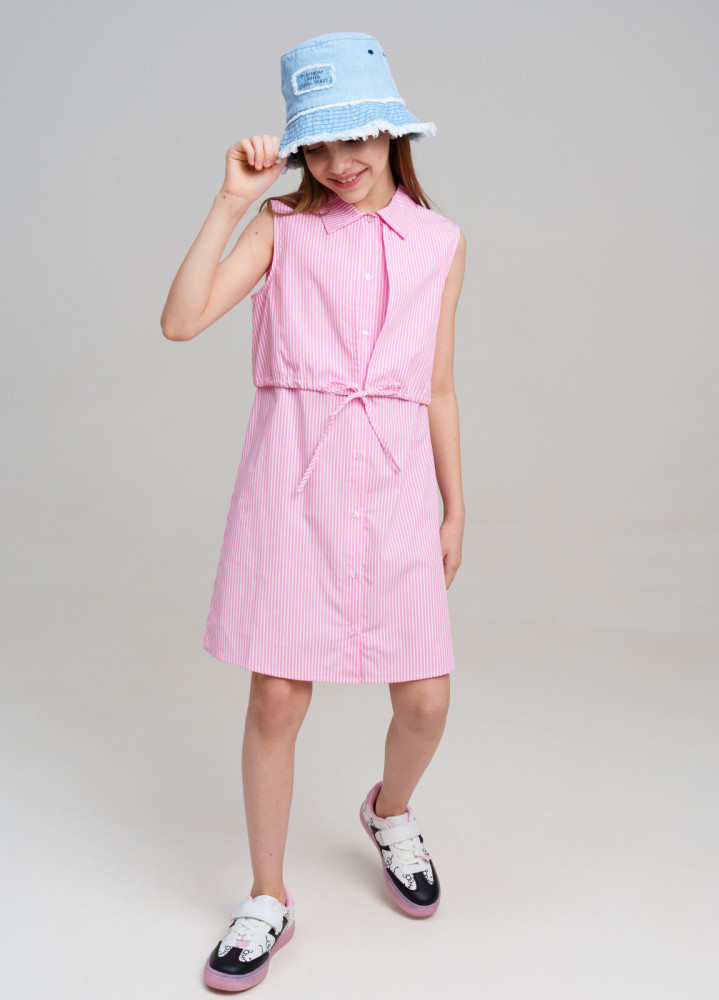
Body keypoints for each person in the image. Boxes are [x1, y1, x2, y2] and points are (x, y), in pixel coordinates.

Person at [161, 31, 466, 993]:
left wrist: (457, 506)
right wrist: (231, 201)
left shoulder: (441, 241)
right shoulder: (281, 228)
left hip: (396, 487)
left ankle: (390, 810)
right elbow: (180, 320)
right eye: (320, 145)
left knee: (425, 698)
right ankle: (267, 896)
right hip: (292, 487)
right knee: (277, 698)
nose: (340, 162)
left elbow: (439, 386)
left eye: (357, 138)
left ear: (391, 132)